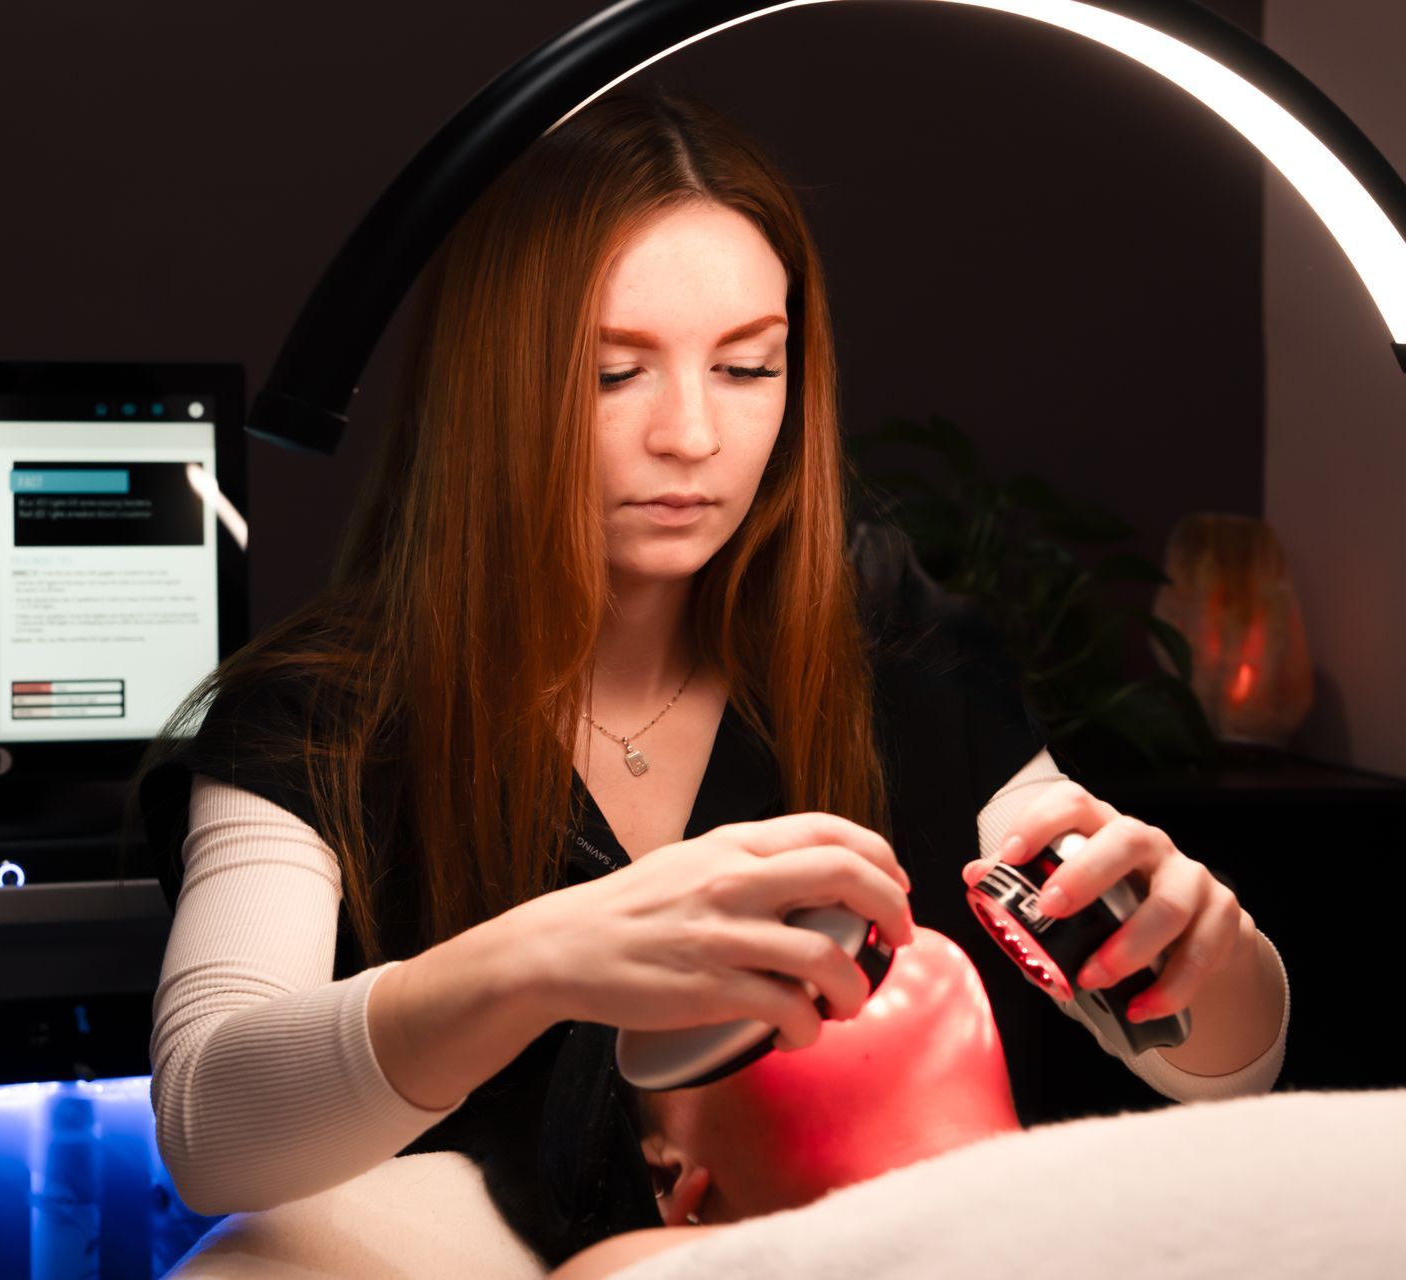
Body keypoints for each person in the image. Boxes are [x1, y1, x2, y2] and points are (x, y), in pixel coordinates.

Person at [132, 87, 1289, 1269]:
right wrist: (543, 956)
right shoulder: (320, 718)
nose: (692, 434)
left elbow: (1221, 1065)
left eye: (747, 367)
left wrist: (1210, 950)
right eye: (614, 373)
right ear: (497, 384)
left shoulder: (879, 632)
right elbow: (212, 1128)